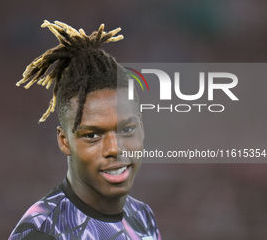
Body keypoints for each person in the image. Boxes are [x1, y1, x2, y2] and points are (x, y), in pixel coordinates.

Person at [8, 20, 161, 240]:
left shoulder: (143, 217)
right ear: (64, 141)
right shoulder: (42, 233)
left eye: (127, 129)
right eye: (92, 135)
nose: (114, 149)